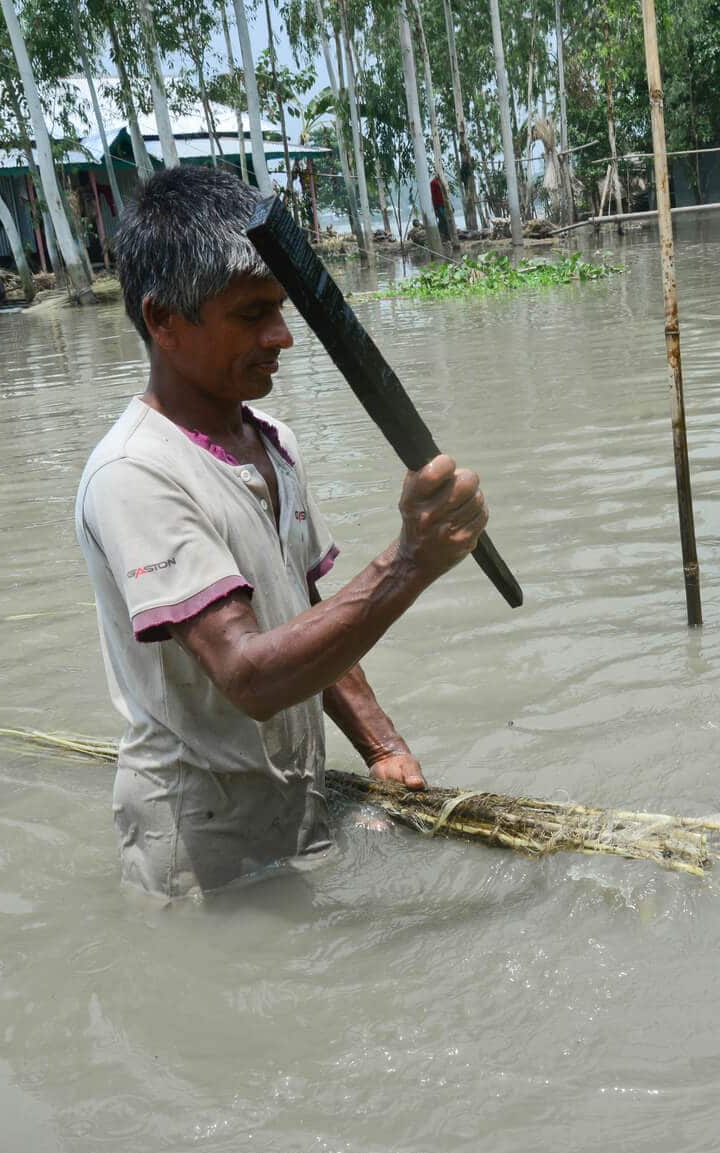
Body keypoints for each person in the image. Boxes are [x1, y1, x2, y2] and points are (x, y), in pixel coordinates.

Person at [75, 166, 489, 897]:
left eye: (282, 306)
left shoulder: (273, 440)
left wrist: (381, 744)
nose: (282, 336)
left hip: (296, 802)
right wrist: (407, 564)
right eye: (251, 314)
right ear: (164, 321)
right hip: (196, 840)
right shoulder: (134, 472)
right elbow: (250, 676)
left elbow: (305, 612)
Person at [429, 174, 455, 247]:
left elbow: (447, 195)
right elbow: (433, 196)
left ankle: (447, 235)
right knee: (443, 219)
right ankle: (443, 235)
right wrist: (434, 207)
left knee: (446, 219)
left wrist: (451, 204)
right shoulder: (433, 183)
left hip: (445, 203)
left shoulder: (443, 181)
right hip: (438, 204)